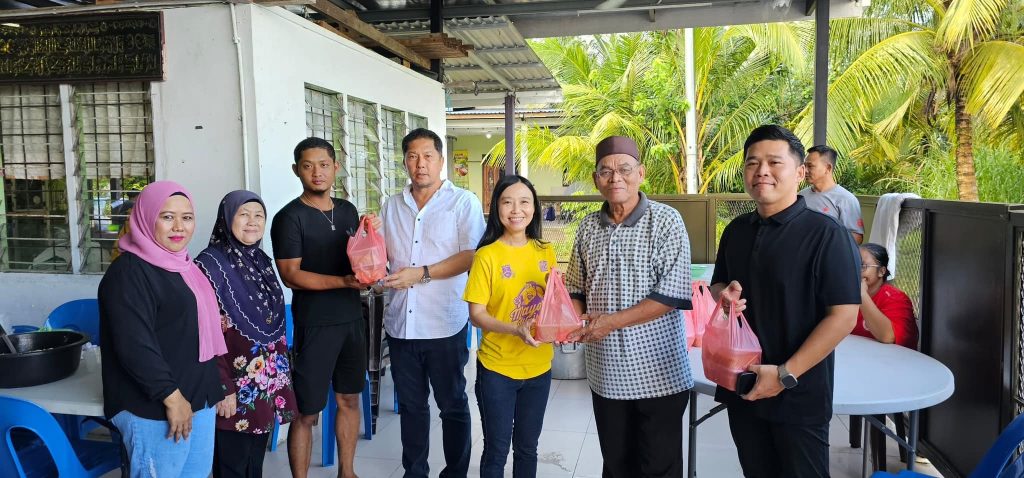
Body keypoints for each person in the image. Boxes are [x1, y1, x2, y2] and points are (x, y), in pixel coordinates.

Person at [711, 125, 861, 478]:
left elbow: (843, 317)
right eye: (752, 163)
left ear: (800, 172)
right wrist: (724, 298)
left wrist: (784, 374)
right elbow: (719, 284)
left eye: (774, 162)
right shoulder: (736, 230)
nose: (761, 171)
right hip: (742, 384)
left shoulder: (827, 235)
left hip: (798, 393)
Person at [564, 135, 694, 477]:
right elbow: (575, 287)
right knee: (616, 464)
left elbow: (671, 295)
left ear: (641, 173)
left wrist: (610, 322)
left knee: (658, 467)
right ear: (595, 179)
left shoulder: (666, 221)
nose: (615, 178)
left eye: (624, 169)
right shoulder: (587, 227)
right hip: (605, 373)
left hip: (659, 373)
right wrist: (575, 321)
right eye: (606, 171)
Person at [98, 180, 228, 477]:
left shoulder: (187, 268)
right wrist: (172, 398)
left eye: (187, 217)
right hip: (156, 408)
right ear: (146, 218)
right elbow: (134, 345)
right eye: (167, 217)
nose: (179, 226)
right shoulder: (129, 273)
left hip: (198, 399)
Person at [379, 128, 485, 478]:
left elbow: (471, 256)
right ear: (405, 162)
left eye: (428, 156)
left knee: (452, 405)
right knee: (412, 407)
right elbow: (382, 256)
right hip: (401, 325)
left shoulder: (462, 202)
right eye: (412, 156)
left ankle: (455, 473)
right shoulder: (391, 205)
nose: (420, 164)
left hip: (444, 324)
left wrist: (421, 274)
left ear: (441, 160)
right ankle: (415, 472)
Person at [271, 137, 369, 478]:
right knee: (307, 412)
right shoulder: (289, 217)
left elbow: (360, 257)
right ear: (296, 170)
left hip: (352, 320)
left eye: (324, 165)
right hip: (315, 324)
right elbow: (291, 276)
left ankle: (347, 472)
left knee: (349, 400)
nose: (317, 173)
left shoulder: (347, 211)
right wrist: (343, 282)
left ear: (335, 168)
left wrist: (372, 240)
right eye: (308, 166)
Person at [195, 190, 299, 478]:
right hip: (231, 384)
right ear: (227, 218)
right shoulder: (209, 265)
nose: (252, 221)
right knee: (231, 464)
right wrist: (222, 386)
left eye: (259, 215)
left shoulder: (261, 260)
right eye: (243, 214)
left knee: (254, 463)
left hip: (263, 384)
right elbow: (204, 333)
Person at [463, 175, 556, 478]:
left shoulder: (545, 251)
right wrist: (516, 329)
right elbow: (476, 315)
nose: (516, 210)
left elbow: (553, 303)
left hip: (539, 367)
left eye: (524, 202)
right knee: (496, 450)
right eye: (507, 202)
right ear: (497, 208)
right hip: (497, 369)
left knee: (528, 448)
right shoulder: (486, 255)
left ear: (534, 208)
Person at [854, 243, 918, 349]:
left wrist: (862, 294)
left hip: (894, 358)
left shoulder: (896, 298)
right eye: (853, 264)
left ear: (881, 271)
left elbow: (888, 336)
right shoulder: (847, 295)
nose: (855, 271)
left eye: (862, 266)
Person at [800, 145, 864, 244]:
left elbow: (857, 237)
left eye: (810, 166)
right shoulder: (800, 196)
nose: (805, 170)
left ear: (828, 168)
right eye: (805, 166)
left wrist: (827, 244)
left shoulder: (846, 199)